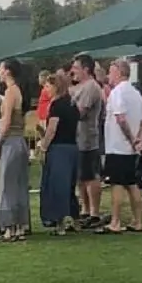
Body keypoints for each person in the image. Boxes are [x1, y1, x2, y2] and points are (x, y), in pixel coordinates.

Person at [96, 58, 142, 235]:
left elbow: (120, 118)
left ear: (119, 72)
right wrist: (140, 141)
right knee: (132, 184)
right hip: (131, 150)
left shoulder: (117, 93)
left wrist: (132, 139)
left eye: (110, 72)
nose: (109, 76)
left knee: (117, 184)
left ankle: (115, 221)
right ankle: (138, 221)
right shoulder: (136, 94)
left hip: (117, 147)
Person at [38, 73, 79, 235]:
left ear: (56, 86)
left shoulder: (56, 105)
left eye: (48, 86)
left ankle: (59, 223)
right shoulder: (72, 104)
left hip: (59, 149)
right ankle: (76, 220)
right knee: (69, 186)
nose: (45, 89)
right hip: (72, 147)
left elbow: (52, 129)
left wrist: (44, 147)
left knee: (57, 185)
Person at [0, 59, 30, 242]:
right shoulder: (18, 91)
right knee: (19, 184)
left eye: (0, 69)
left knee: (7, 185)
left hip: (11, 142)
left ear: (7, 71)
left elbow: (6, 122)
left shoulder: (10, 92)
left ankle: (9, 228)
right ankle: (20, 226)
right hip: (20, 141)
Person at [71, 54, 105, 227]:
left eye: (76, 68)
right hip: (78, 139)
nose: (72, 71)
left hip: (88, 139)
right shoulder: (79, 87)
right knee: (81, 176)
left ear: (86, 69)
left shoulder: (91, 87)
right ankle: (85, 210)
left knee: (90, 176)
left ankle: (94, 213)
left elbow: (81, 112)